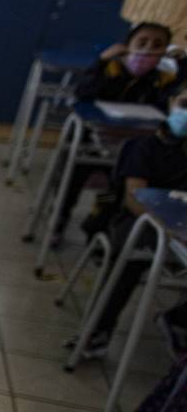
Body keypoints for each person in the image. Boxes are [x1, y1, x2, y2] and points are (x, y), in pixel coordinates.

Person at [66, 85, 187, 360]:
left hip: (182, 230)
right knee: (133, 255)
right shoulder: (144, 147)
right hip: (141, 222)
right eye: (185, 104)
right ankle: (98, 329)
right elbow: (134, 200)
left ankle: (178, 320)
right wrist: (168, 229)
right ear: (171, 103)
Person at [51, 22, 186, 246]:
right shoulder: (111, 68)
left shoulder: (161, 79)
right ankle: (60, 219)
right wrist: (102, 61)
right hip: (91, 141)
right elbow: (83, 93)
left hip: (129, 149)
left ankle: (95, 227)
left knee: (112, 193)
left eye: (157, 45)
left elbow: (172, 100)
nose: (148, 49)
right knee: (72, 183)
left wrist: (180, 62)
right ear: (127, 45)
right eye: (142, 42)